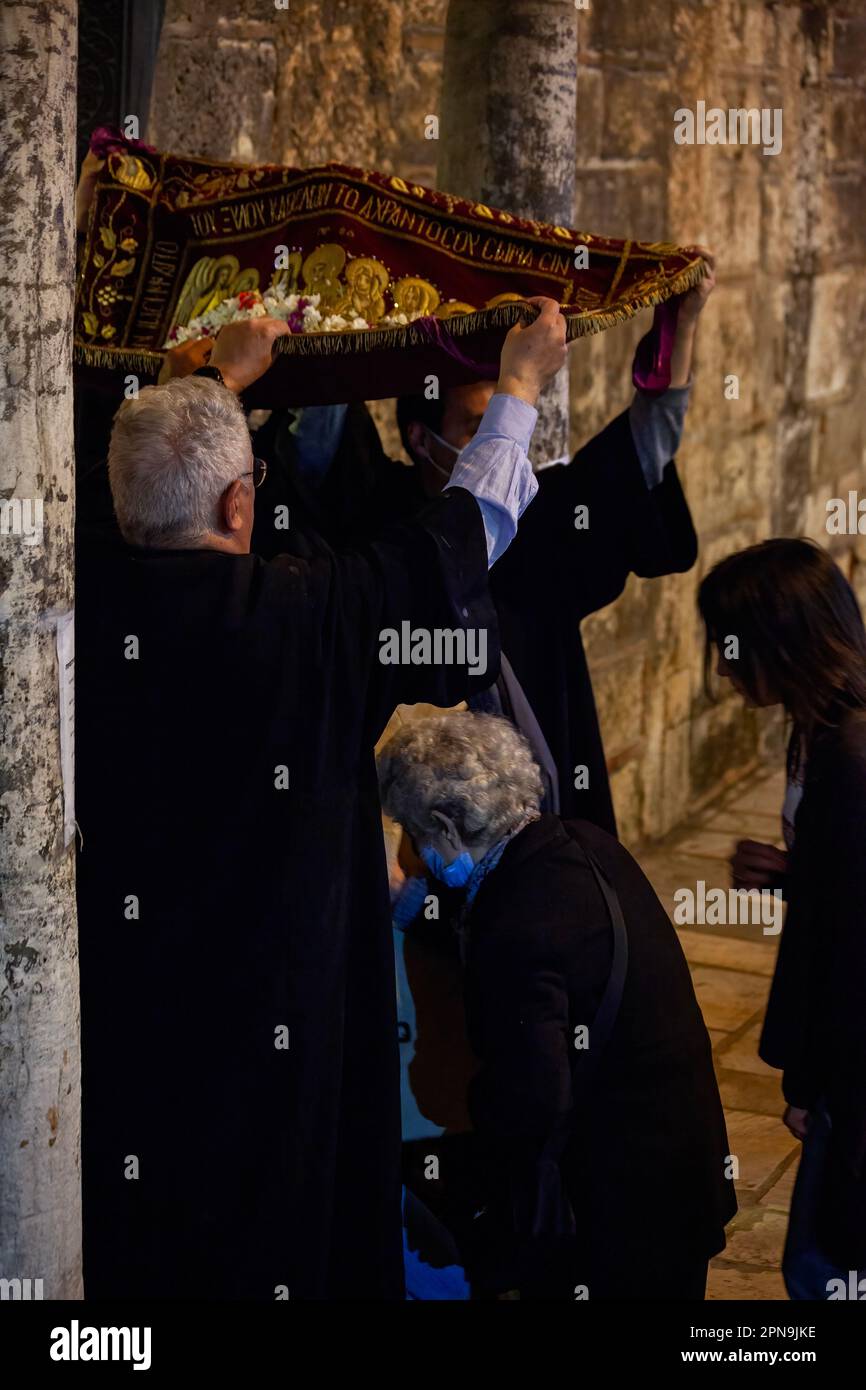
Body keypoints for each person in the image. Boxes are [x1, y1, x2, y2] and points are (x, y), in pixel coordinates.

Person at [75, 303, 568, 1300]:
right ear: (237, 510)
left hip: (125, 1011)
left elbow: (130, 481)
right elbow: (462, 535)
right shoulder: (306, 616)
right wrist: (519, 387)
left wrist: (215, 389)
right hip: (281, 1013)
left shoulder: (72, 609)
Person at [377, 711, 737, 1299]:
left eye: (415, 836)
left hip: (615, 1218)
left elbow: (533, 1099)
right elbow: (535, 935)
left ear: (445, 823)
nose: (416, 852)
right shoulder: (583, 846)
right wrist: (415, 903)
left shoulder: (516, 926)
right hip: (679, 1177)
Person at [698, 538, 866, 1300]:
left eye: (731, 646)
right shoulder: (819, 728)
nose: (722, 666)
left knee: (825, 1265)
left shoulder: (852, 753)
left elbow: (850, 947)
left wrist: (810, 1082)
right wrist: (797, 874)